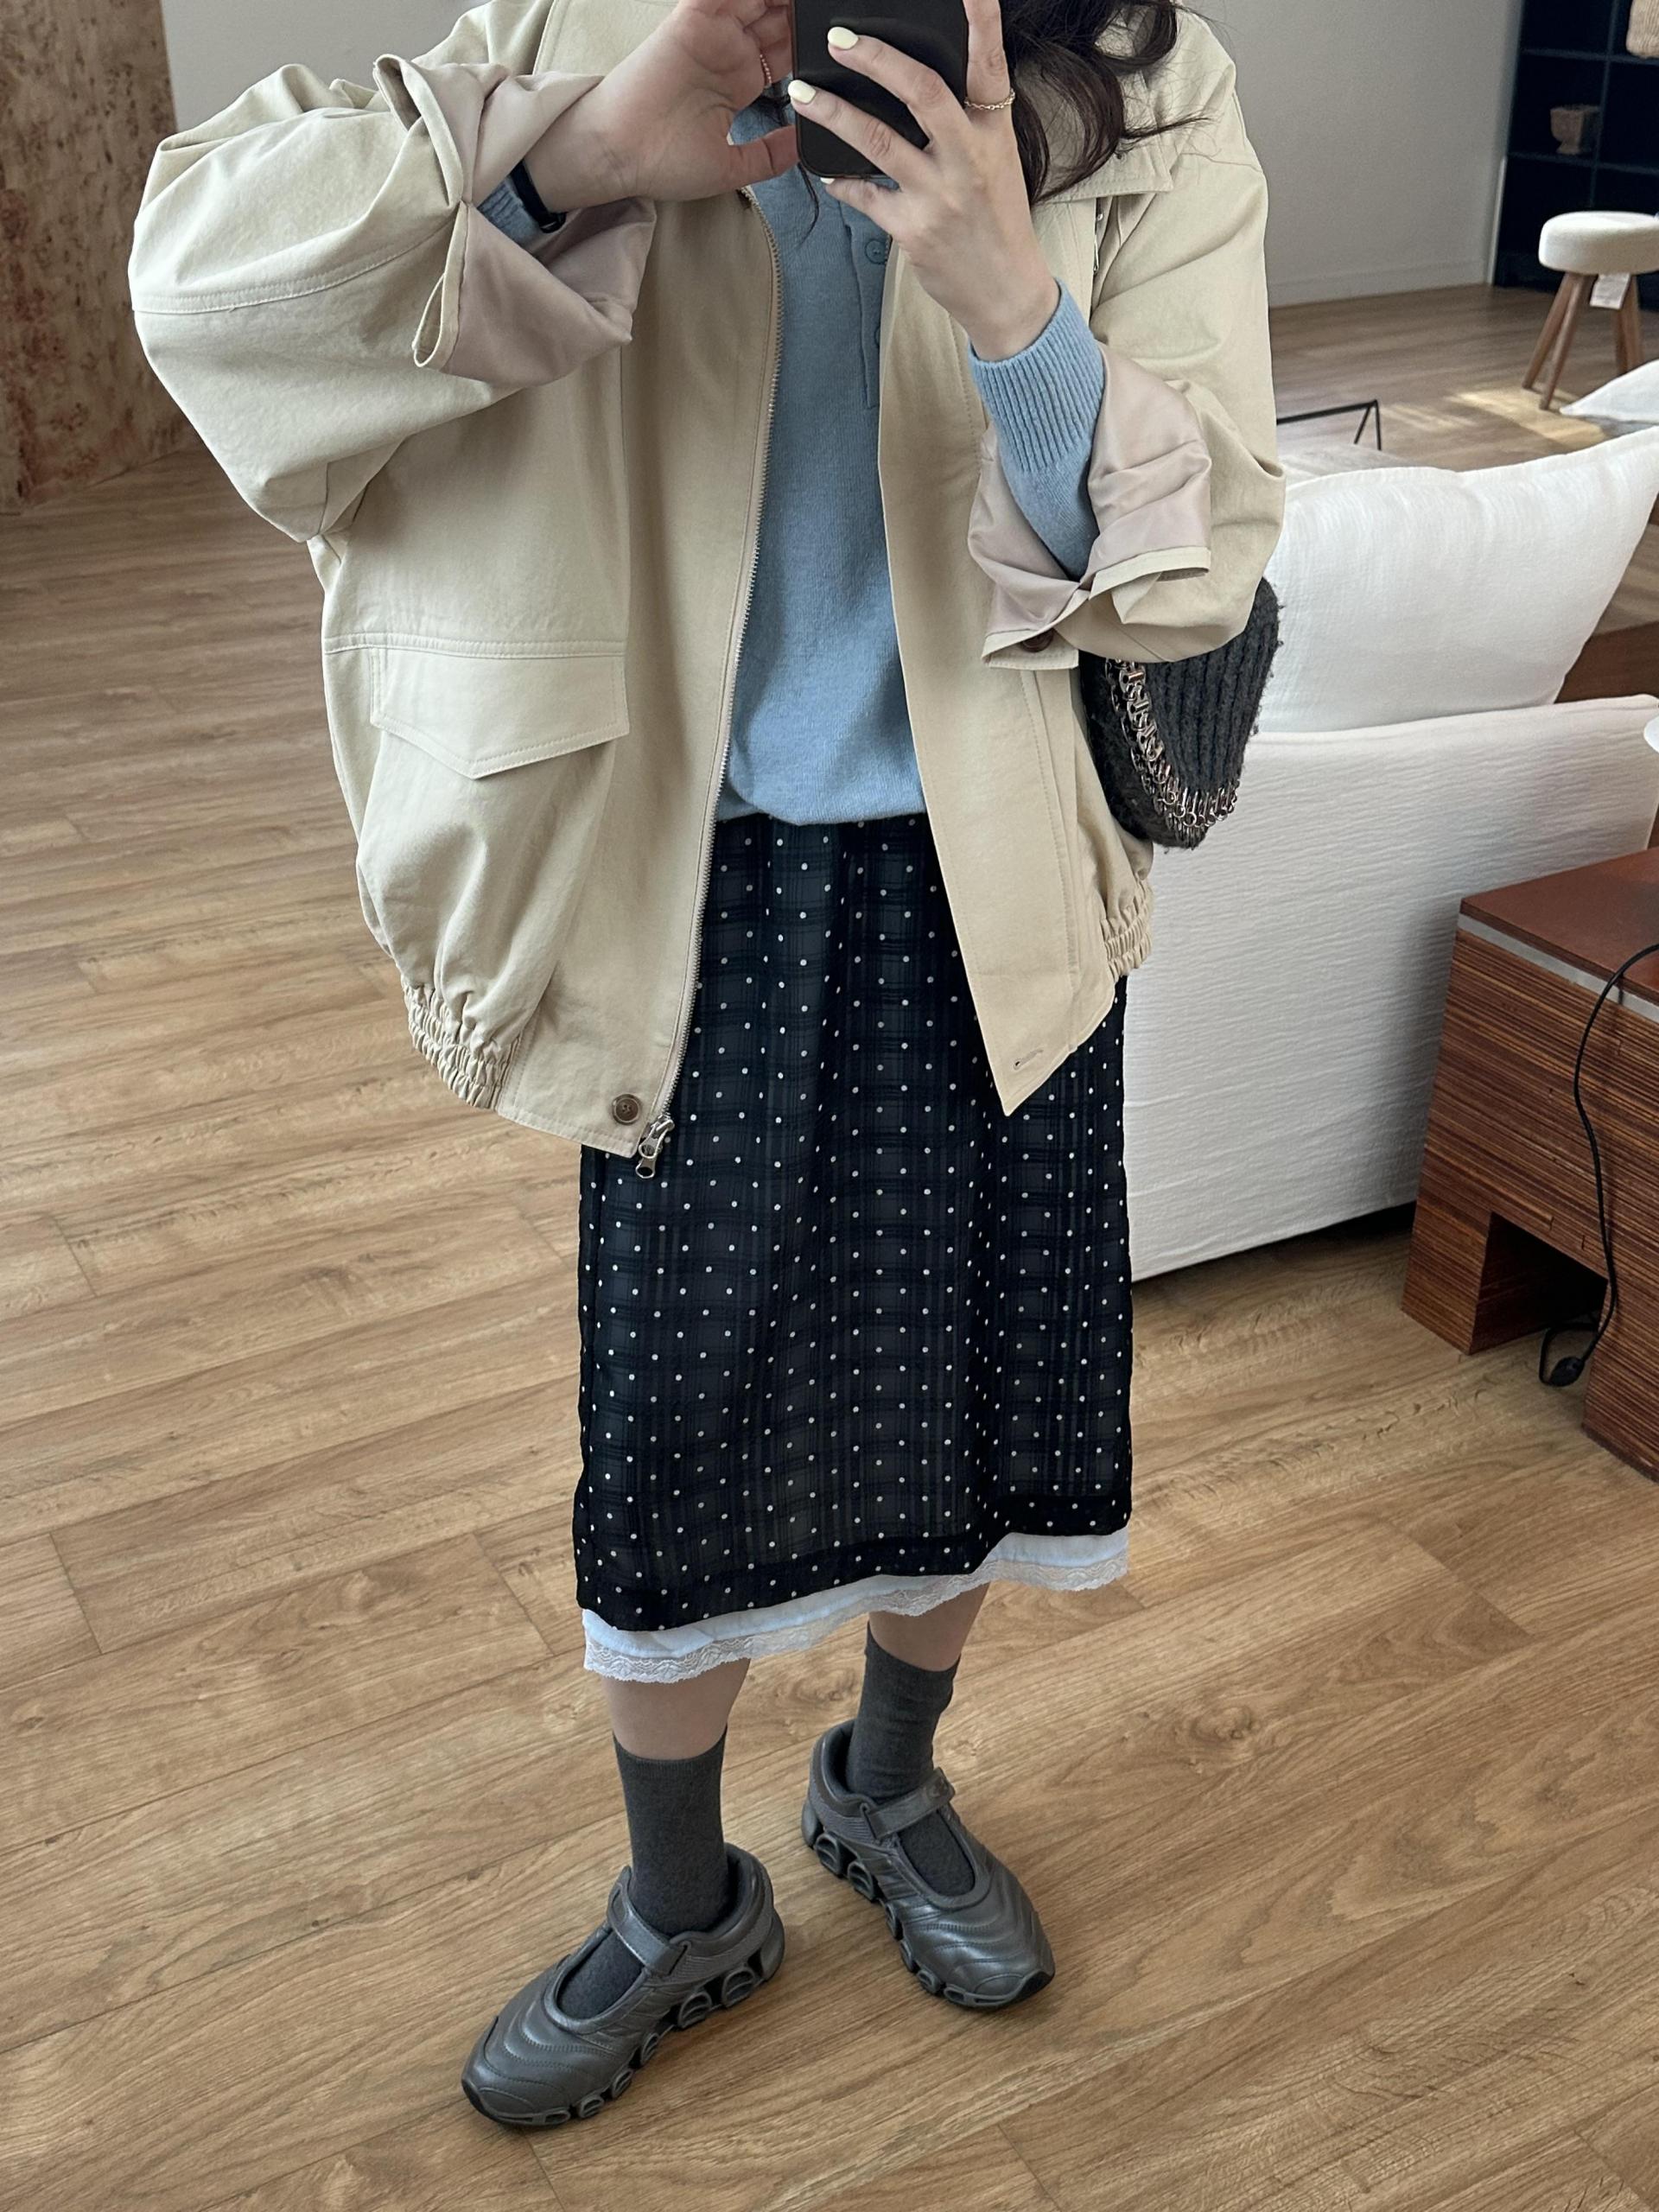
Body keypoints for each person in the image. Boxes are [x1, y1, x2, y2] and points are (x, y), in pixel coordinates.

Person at [130, 0, 1282, 2132]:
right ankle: (684, 1902)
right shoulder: (587, 28)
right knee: (674, 1438)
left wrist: (1011, 298)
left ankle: (888, 1787)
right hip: (705, 882)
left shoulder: (1150, 76)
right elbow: (216, 301)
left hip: (999, 875)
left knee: (977, 1401)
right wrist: (574, 157)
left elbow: (1203, 562)